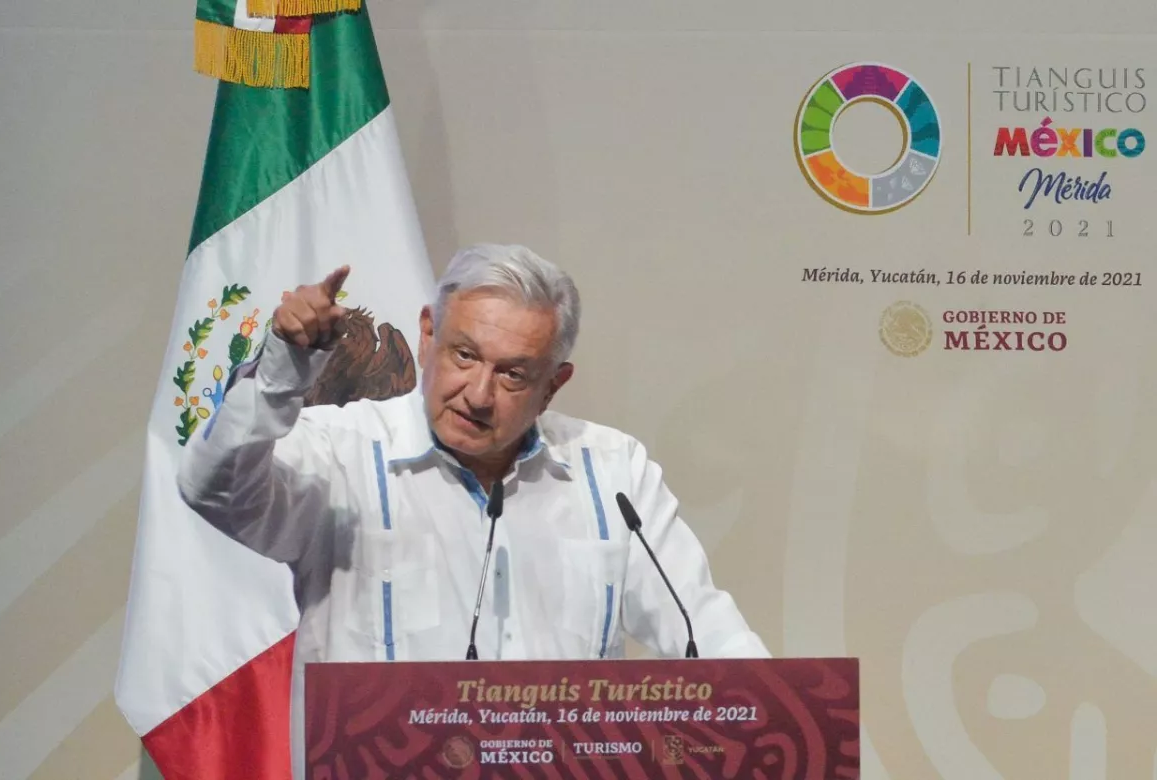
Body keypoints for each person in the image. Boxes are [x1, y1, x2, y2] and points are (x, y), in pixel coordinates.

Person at [177, 243, 770, 775]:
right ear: (427, 334)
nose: (479, 394)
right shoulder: (342, 450)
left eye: (512, 374)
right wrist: (282, 372)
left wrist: (777, 716)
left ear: (554, 384)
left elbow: (706, 628)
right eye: (464, 355)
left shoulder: (613, 472)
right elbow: (215, 488)